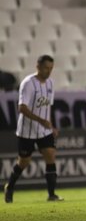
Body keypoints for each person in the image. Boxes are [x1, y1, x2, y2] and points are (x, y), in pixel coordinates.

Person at [3, 55, 62, 203]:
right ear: (38, 67)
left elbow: (49, 106)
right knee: (24, 162)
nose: (48, 71)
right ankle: (9, 187)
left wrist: (51, 125)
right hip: (27, 130)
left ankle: (51, 194)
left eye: (51, 68)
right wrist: (41, 120)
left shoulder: (50, 84)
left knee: (50, 155)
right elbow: (22, 108)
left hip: (44, 130)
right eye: (46, 68)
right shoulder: (28, 83)